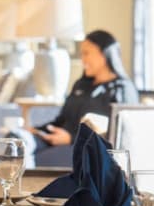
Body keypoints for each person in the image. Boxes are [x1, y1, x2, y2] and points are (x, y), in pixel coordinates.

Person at [11, 29, 139, 165]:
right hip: (56, 141)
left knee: (39, 159)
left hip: (87, 149)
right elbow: (61, 120)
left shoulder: (122, 89)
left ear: (104, 55)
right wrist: (37, 130)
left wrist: (71, 139)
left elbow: (119, 134)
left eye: (87, 53)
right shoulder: (81, 85)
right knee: (15, 142)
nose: (82, 59)